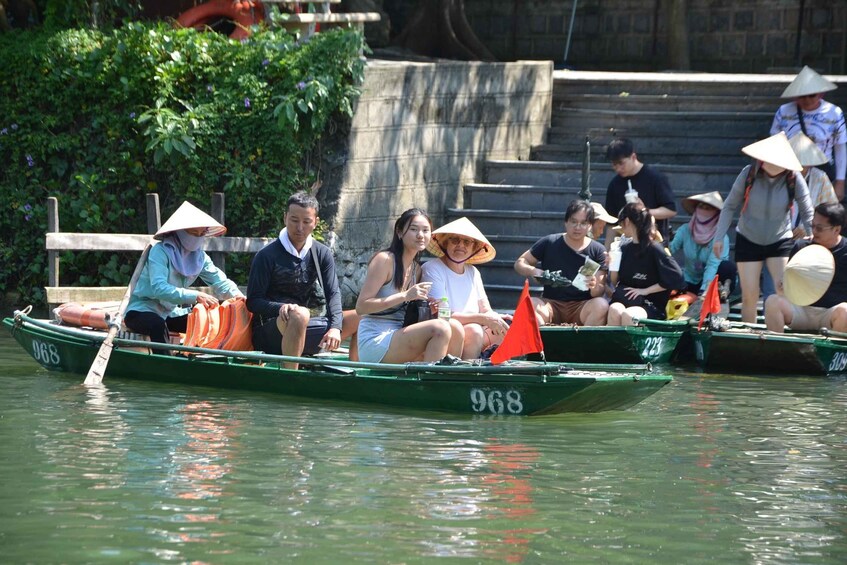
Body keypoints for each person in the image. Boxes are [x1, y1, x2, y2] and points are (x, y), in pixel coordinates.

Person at [246, 192, 359, 369]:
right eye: (294, 220)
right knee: (300, 314)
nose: (300, 227)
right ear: (285, 218)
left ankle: (353, 373)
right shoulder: (266, 255)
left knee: (361, 316)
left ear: (315, 222)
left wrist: (336, 328)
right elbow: (253, 301)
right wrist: (280, 308)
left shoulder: (321, 253)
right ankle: (291, 375)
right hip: (270, 332)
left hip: (304, 326)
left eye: (306, 221)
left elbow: (333, 294)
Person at [712, 132, 814, 323]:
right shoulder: (748, 174)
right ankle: (748, 339)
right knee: (750, 295)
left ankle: (778, 338)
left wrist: (812, 235)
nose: (767, 162)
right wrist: (719, 237)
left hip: (780, 238)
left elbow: (808, 210)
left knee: (781, 292)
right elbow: (729, 206)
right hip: (748, 238)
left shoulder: (793, 178)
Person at [125, 201, 243, 344]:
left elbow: (219, 281)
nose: (197, 238)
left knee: (205, 322)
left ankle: (197, 360)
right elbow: (159, 288)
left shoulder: (200, 257)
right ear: (180, 232)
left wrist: (239, 297)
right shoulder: (160, 251)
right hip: (141, 310)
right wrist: (196, 295)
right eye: (193, 233)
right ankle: (165, 365)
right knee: (157, 326)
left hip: (170, 313)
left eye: (202, 234)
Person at [356, 209, 463, 363]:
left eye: (426, 230)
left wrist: (429, 308)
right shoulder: (384, 260)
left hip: (401, 334)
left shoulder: (416, 269)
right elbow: (361, 307)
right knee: (441, 328)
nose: (420, 235)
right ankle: (429, 383)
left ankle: (450, 379)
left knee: (454, 326)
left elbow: (410, 313)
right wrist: (405, 296)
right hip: (376, 339)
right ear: (399, 232)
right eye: (414, 229)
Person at [421, 217, 510, 359]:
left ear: (474, 248)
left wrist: (497, 318)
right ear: (445, 243)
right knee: (474, 331)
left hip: (477, 329)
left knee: (505, 330)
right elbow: (443, 315)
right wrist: (484, 319)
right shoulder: (432, 268)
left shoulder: (473, 272)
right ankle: (467, 375)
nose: (461, 245)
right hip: (444, 332)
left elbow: (485, 309)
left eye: (467, 242)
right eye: (455, 240)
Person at [514, 199, 609, 326]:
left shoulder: (598, 250)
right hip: (550, 304)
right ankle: (545, 341)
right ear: (566, 222)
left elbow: (599, 291)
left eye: (583, 223)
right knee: (530, 305)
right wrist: (534, 271)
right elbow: (520, 263)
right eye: (573, 222)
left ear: (590, 225)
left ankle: (585, 345)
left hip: (582, 306)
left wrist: (594, 285)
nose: (577, 227)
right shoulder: (549, 242)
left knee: (601, 305)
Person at [765, 202, 847, 333]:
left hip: (831, 313)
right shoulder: (801, 246)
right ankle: (777, 350)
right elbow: (786, 288)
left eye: (819, 228)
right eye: (812, 226)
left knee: (845, 311)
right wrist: (783, 286)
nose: (814, 231)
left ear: (836, 229)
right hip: (801, 310)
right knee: (772, 301)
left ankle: (831, 351)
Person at [770, 65, 846, 199]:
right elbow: (775, 143)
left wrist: (840, 181)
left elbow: (840, 148)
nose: (807, 99)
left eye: (812, 95)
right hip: (789, 170)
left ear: (821, 94)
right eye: (802, 96)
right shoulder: (784, 112)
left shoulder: (834, 113)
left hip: (821, 171)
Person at [607, 203, 685, 326]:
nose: (620, 227)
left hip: (650, 304)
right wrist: (613, 264)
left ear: (627, 221)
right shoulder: (624, 248)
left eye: (621, 223)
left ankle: (631, 346)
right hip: (626, 300)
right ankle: (615, 345)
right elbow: (615, 281)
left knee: (630, 315)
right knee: (614, 309)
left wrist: (644, 291)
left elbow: (677, 277)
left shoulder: (655, 248)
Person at [603, 138, 677, 245]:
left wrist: (644, 212)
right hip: (625, 245)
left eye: (621, 163)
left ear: (633, 157)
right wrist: (607, 249)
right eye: (614, 165)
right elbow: (612, 222)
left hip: (655, 243)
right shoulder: (614, 185)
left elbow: (671, 210)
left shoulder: (655, 178)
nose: (618, 168)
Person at [669, 191, 737, 301]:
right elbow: (670, 250)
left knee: (727, 267)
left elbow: (712, 265)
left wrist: (704, 290)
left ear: (716, 213)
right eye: (701, 206)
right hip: (690, 279)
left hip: (715, 280)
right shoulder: (685, 230)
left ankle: (718, 295)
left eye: (709, 208)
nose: (704, 210)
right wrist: (663, 241)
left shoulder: (720, 238)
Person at [789, 132, 839, 234]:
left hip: (810, 236)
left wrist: (806, 227)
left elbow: (831, 210)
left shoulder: (820, 178)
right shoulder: (779, 175)